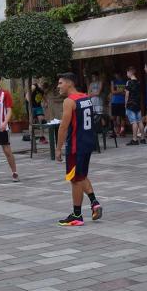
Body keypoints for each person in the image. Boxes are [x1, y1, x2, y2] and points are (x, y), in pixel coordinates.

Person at [55, 72, 103, 226]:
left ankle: (77, 215)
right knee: (81, 175)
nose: (58, 86)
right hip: (88, 143)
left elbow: (63, 127)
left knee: (75, 180)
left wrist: (58, 148)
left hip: (76, 146)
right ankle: (94, 202)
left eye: (60, 83)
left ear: (69, 83)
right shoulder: (85, 97)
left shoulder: (69, 102)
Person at [125, 67, 144, 146]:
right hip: (137, 103)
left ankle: (135, 139)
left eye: (127, 72)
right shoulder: (138, 82)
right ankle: (143, 138)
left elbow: (127, 94)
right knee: (140, 121)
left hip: (131, 104)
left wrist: (125, 104)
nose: (127, 74)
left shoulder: (128, 82)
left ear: (130, 72)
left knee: (134, 122)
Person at [110, 72, 127, 136]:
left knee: (123, 117)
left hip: (122, 101)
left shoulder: (124, 81)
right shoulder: (113, 81)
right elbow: (113, 92)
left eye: (117, 74)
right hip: (114, 101)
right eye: (115, 74)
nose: (116, 75)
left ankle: (122, 131)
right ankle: (115, 131)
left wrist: (118, 92)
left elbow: (125, 92)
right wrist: (121, 91)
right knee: (113, 117)